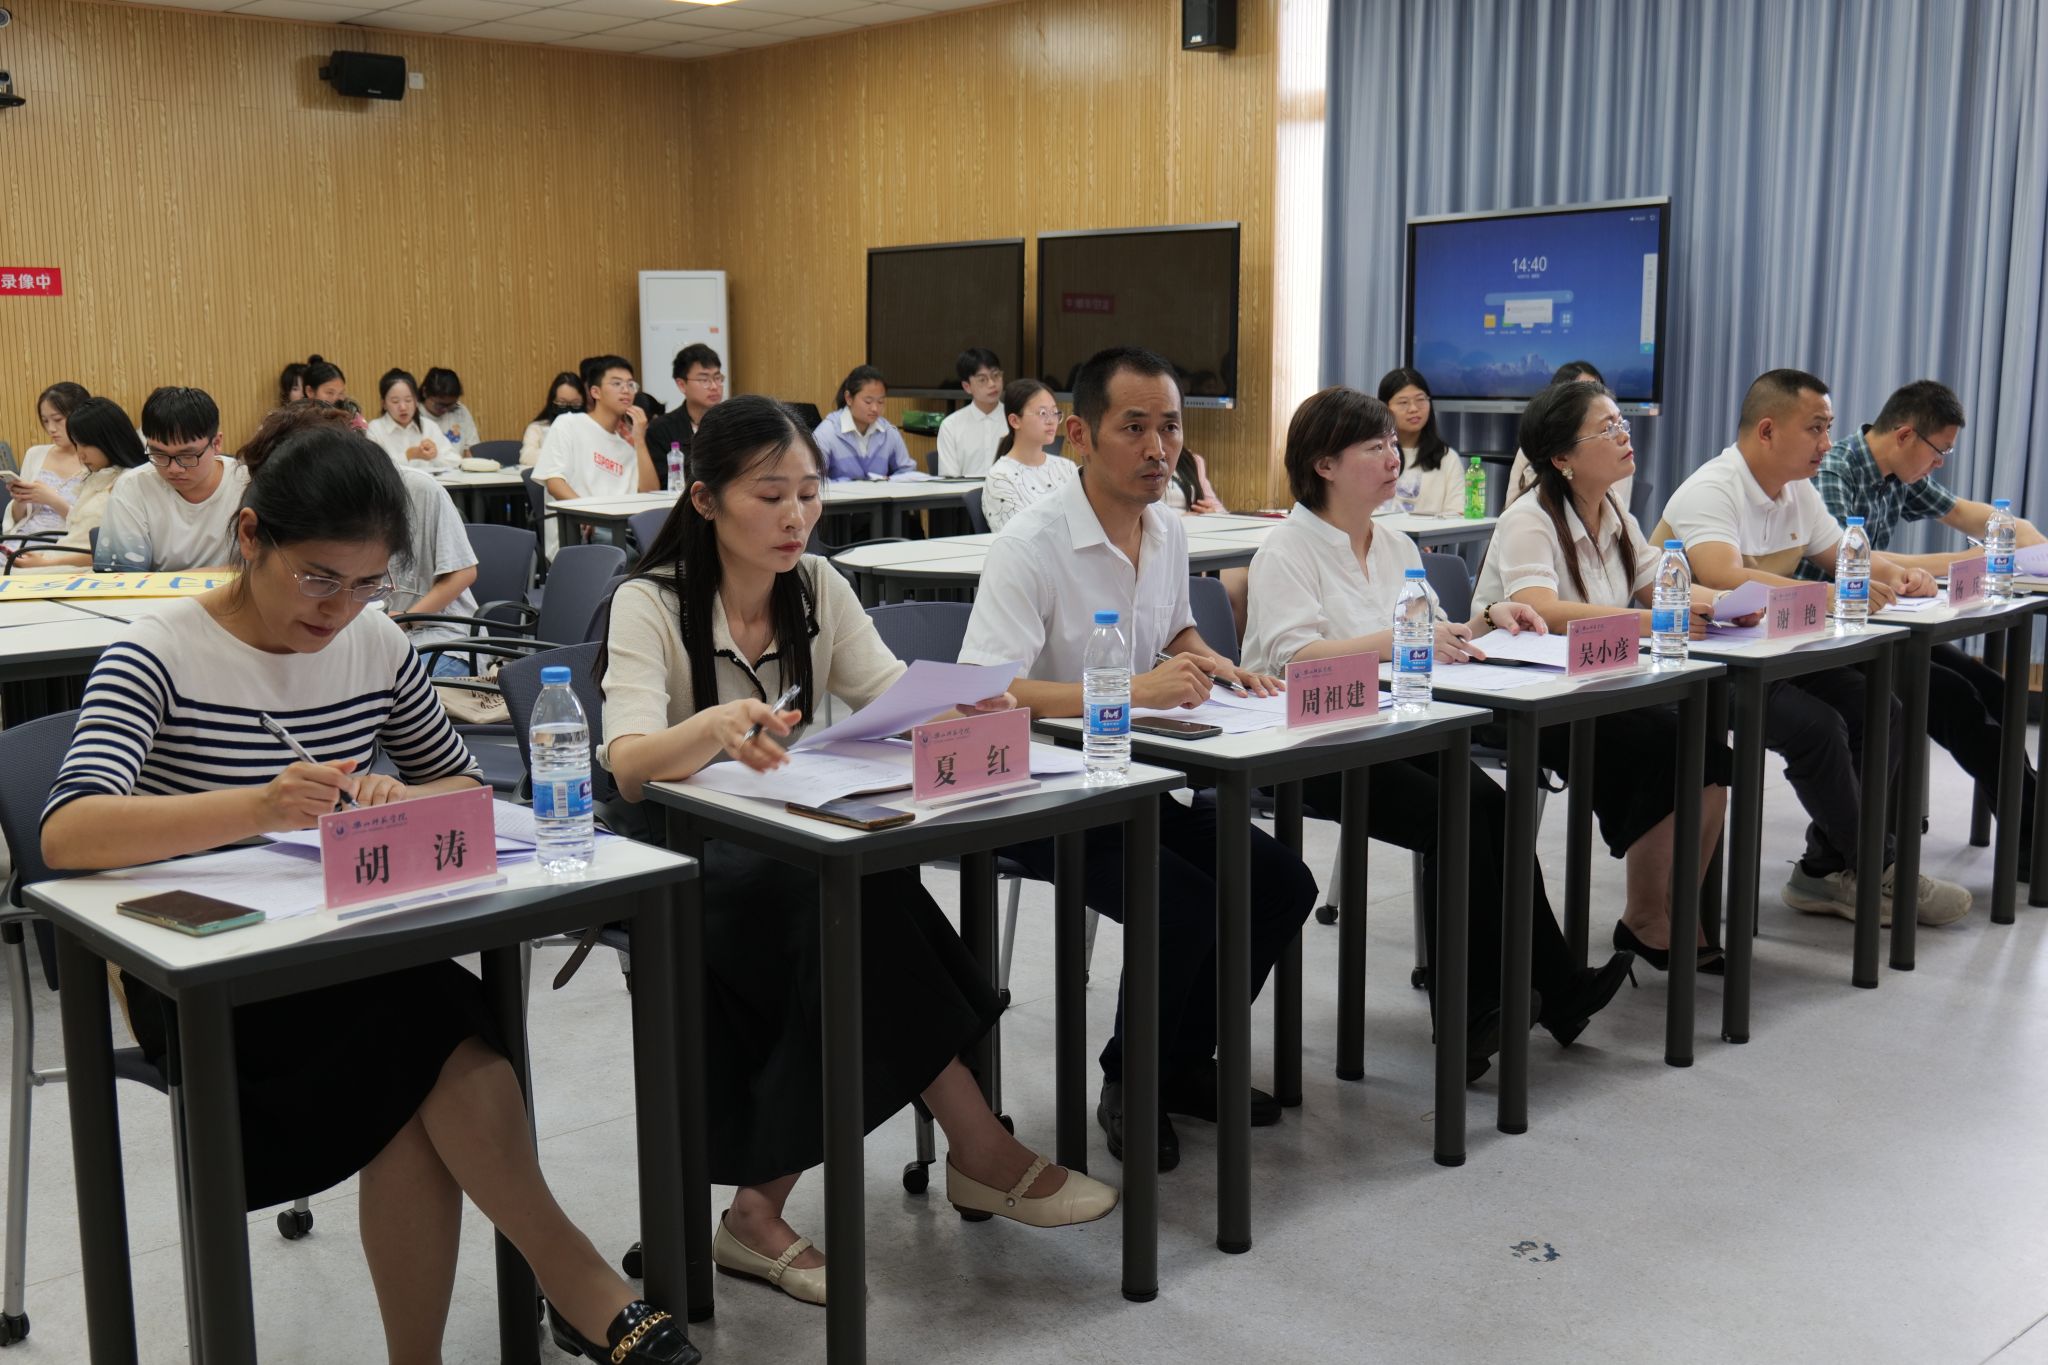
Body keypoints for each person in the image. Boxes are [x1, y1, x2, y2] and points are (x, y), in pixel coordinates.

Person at [40, 425, 695, 1364]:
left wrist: (397, 795)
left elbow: (459, 784)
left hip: (346, 943)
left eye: (366, 584)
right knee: (429, 1033)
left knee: (421, 1039)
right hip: (209, 974)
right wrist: (255, 807)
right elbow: (69, 830)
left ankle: (496, 1319)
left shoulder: (376, 642)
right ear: (251, 536)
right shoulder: (159, 654)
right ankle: (575, 1277)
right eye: (318, 578)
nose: (339, 609)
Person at [600, 395, 1116, 1306]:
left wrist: (962, 705)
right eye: (770, 495)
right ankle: (975, 1150)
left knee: (859, 898)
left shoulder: (815, 586)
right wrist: (713, 727)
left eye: (808, 493)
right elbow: (631, 764)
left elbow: (888, 693)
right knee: (845, 914)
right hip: (677, 854)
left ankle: (769, 1206)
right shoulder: (650, 601)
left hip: (783, 833)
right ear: (706, 500)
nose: (795, 516)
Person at [959, 346, 1319, 1170]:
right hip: (1040, 791)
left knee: (1279, 883)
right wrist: (1132, 688)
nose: (1159, 449)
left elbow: (1171, 629)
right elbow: (987, 691)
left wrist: (1214, 661)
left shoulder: (1166, 526)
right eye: (1135, 428)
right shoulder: (1030, 545)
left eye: (1171, 428)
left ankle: (1182, 1062)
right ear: (1081, 435)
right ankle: (1132, 1078)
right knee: (1181, 903)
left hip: (1138, 778)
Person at [1243, 385, 1636, 1077]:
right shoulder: (1287, 548)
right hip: (1309, 744)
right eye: (1374, 447)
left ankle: (1554, 991)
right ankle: (1473, 1012)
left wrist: (1488, 618)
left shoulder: (1396, 542)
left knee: (1494, 806)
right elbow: (1293, 660)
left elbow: (1429, 632)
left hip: (1392, 728)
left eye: (1392, 445)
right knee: (1454, 812)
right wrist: (1402, 641)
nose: (1393, 458)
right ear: (1324, 465)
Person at [1654, 368, 1972, 926]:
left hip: (1768, 653)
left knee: (1881, 709)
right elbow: (1722, 574)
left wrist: (1900, 576)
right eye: (1816, 428)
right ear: (1768, 431)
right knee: (1817, 728)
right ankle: (1877, 868)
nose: (1828, 442)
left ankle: (1827, 869)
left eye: (1828, 427)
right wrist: (1823, 594)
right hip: (1702, 663)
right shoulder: (1713, 487)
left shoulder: (1797, 490)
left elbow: (1844, 555)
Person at [1473, 380, 1738, 967]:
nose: (1624, 435)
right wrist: (1654, 621)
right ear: (1562, 458)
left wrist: (1730, 604)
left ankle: (1673, 909)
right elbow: (1541, 609)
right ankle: (1644, 917)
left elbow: (1662, 586)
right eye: (1608, 428)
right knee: (1667, 746)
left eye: (1622, 423)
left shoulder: (1616, 511)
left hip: (1603, 687)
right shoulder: (1529, 519)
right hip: (1527, 697)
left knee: (1711, 756)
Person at [1805, 378, 2043, 873]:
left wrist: (2026, 540)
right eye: (1940, 452)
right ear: (1905, 435)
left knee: (1993, 691)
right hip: (1832, 636)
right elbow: (1850, 563)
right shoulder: (1835, 471)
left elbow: (1965, 513)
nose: (1940, 464)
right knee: (1957, 700)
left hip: (1882, 628)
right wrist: (1969, 562)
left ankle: (2028, 831)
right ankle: (2034, 837)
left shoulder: (1897, 474)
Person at [240, 402, 481, 676]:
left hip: (435, 633)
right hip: (358, 634)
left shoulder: (418, 490)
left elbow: (463, 572)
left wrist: (403, 619)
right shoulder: (286, 516)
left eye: (368, 583)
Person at [95, 386, 251, 573]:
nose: (173, 469)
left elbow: (268, 567)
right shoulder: (133, 486)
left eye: (187, 455)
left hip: (236, 592)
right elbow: (121, 577)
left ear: (216, 443)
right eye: (159, 454)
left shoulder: (248, 483)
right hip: (156, 594)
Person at [531, 355, 658, 556]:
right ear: (595, 392)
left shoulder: (626, 447)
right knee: (635, 559)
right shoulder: (568, 424)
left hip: (623, 532)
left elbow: (650, 494)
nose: (626, 390)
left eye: (630, 384)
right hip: (578, 533)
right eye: (616, 383)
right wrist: (587, 515)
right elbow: (555, 483)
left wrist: (640, 440)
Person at [6, 395, 147, 569]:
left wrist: (46, 562)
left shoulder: (129, 483)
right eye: (77, 445)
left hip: (75, 568)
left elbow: (114, 554)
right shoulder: (95, 477)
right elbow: (75, 536)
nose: (80, 454)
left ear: (107, 440)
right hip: (56, 556)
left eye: (85, 445)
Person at [1504, 361, 1635, 511]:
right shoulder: (1526, 516)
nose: (1624, 437)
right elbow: (1510, 506)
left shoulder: (1619, 458)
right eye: (1582, 391)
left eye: (1620, 423)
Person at [4, 381, 91, 553]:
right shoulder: (35, 454)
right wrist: (21, 500)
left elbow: (93, 525)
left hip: (66, 546)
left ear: (80, 415)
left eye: (58, 420)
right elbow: (18, 519)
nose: (51, 429)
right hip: (22, 540)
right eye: (45, 421)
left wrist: (53, 500)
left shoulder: (96, 459)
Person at [980, 379, 1077, 532]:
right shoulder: (1001, 477)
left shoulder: (1066, 467)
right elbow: (1017, 537)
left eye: (1054, 412)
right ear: (1015, 421)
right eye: (1043, 413)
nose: (1051, 421)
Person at [1378, 366, 1468, 516]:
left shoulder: (1446, 457)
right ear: (1384, 407)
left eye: (1420, 400)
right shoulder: (1373, 455)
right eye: (1403, 402)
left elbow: (1457, 513)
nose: (1413, 409)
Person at [812, 365, 913, 480]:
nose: (875, 408)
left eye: (880, 402)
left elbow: (907, 473)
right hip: (841, 492)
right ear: (849, 398)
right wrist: (849, 485)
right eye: (868, 401)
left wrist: (890, 481)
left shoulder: (888, 432)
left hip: (881, 492)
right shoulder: (827, 432)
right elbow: (813, 480)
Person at [644, 344, 725, 489]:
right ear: (681, 384)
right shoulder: (661, 429)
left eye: (717, 378)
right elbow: (663, 483)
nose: (714, 386)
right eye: (704, 380)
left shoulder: (732, 423)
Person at [367, 368, 460, 474]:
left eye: (408, 400)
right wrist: (409, 455)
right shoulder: (375, 429)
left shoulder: (429, 427)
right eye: (395, 401)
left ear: (416, 401)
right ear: (383, 404)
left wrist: (435, 455)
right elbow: (373, 468)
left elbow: (456, 461)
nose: (403, 407)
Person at [935, 348, 1007, 477]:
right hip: (965, 490)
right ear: (967, 387)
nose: (992, 384)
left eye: (996, 375)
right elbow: (949, 480)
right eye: (982, 379)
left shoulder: (1017, 420)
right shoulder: (951, 426)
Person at [521, 372, 585, 467]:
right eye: (562, 403)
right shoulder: (537, 428)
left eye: (575, 404)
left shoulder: (589, 427)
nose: (568, 410)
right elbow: (526, 457)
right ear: (552, 402)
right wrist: (562, 455)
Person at [419, 367, 480, 461]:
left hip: (456, 468)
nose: (445, 409)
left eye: (451, 404)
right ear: (425, 392)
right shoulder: (413, 414)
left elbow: (471, 450)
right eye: (440, 405)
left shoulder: (460, 410)